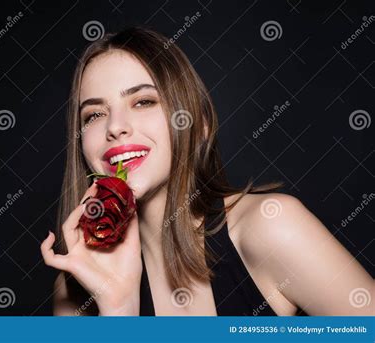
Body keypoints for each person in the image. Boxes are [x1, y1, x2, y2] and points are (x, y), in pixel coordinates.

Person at [41, 27, 374, 316]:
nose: (115, 127)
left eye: (143, 101)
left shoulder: (270, 226)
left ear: (196, 126)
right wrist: (118, 307)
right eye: (94, 116)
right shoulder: (76, 282)